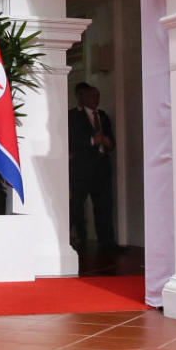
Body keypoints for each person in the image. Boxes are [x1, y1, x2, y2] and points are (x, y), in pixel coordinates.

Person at [68, 82, 118, 251]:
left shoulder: (102, 116)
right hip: (82, 168)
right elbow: (72, 142)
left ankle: (107, 242)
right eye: (92, 96)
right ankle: (66, 238)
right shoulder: (74, 117)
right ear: (83, 97)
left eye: (97, 96)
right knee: (76, 204)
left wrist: (107, 142)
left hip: (102, 168)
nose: (95, 99)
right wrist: (91, 141)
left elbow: (112, 141)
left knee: (104, 206)